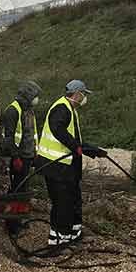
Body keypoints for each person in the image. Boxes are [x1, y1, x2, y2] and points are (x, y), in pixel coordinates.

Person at [36, 79, 106, 246]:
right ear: (76, 94)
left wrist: (93, 150)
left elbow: (74, 139)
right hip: (56, 166)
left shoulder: (70, 110)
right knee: (62, 202)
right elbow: (58, 129)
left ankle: (73, 232)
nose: (84, 98)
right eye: (83, 94)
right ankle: (57, 238)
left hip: (67, 167)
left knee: (73, 199)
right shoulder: (61, 108)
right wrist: (76, 147)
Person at [0, 80, 42, 234]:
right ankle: (11, 224)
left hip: (27, 156)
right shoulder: (13, 110)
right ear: (27, 95)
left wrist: (35, 152)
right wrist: (15, 157)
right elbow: (8, 137)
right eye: (34, 96)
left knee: (23, 190)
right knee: (15, 190)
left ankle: (19, 219)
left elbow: (32, 133)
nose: (36, 99)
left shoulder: (29, 110)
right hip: (17, 158)